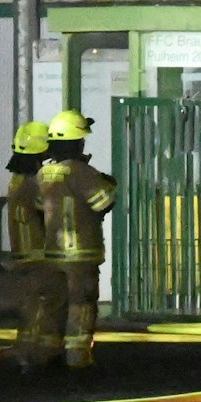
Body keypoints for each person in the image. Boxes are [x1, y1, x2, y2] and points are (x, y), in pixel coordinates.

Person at [37, 110, 118, 369]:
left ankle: (47, 354)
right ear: (75, 142)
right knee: (81, 304)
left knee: (54, 305)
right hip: (80, 254)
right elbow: (103, 203)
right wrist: (107, 182)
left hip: (52, 254)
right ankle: (77, 357)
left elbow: (39, 206)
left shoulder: (43, 173)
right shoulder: (81, 172)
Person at [5, 120, 56, 371]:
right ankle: (41, 357)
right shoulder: (33, 184)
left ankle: (25, 355)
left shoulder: (16, 180)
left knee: (29, 308)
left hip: (22, 257)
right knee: (46, 306)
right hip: (39, 258)